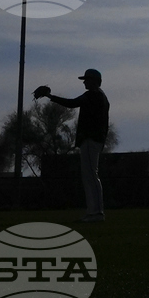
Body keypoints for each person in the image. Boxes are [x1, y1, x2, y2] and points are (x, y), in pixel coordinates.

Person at [34, 69, 110, 222]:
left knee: (90, 175)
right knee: (90, 175)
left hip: (91, 139)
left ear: (94, 81)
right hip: (94, 139)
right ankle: (93, 212)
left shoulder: (93, 95)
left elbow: (72, 103)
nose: (84, 82)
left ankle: (96, 213)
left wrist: (50, 96)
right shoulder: (100, 96)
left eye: (87, 79)